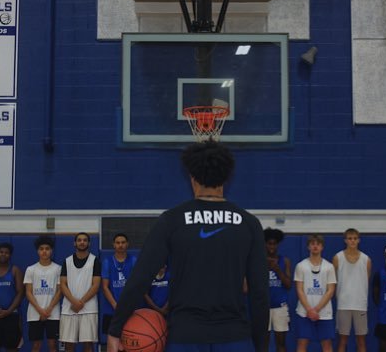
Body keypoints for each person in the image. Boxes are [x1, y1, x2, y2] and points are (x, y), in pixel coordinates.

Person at [107, 140, 269, 352]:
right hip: (234, 337)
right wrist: (261, 345)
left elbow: (140, 278)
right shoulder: (249, 223)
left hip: (185, 337)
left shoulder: (172, 220)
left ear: (192, 177)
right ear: (226, 177)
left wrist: (115, 330)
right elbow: (259, 292)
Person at [59, 232, 101, 352]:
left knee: (88, 345)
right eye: (79, 240)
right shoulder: (67, 261)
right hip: (69, 308)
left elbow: (96, 285)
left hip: (89, 308)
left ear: (89, 243)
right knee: (69, 345)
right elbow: (63, 284)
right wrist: (74, 302)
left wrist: (80, 302)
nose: (82, 242)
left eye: (84, 240)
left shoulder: (95, 261)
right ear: (75, 243)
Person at [294, 234, 336, 352]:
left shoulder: (329, 267)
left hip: (324, 312)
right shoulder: (301, 266)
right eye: (312, 244)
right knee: (302, 343)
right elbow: (299, 290)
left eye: (318, 244)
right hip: (304, 312)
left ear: (322, 247)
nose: (315, 246)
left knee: (327, 344)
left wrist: (316, 309)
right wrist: (309, 310)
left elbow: (330, 291)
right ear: (308, 247)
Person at [332, 228, 371, 352]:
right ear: (345, 240)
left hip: (360, 305)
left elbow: (366, 280)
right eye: (350, 238)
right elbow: (333, 281)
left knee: (361, 341)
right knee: (342, 340)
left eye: (355, 238)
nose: (352, 241)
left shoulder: (366, 259)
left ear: (359, 240)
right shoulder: (337, 258)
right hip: (343, 304)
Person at [24, 236, 62, 352]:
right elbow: (28, 292)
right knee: (36, 346)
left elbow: (60, 291)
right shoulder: (31, 269)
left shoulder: (58, 269)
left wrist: (48, 310)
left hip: (53, 313)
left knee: (52, 345)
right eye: (41, 249)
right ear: (37, 251)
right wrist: (41, 311)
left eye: (47, 248)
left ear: (51, 251)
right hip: (35, 313)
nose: (44, 251)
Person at [101, 233, 137, 335]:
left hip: (129, 308)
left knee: (130, 339)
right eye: (118, 243)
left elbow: (135, 285)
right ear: (113, 244)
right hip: (111, 309)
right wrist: (115, 305)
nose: (120, 245)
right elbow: (104, 287)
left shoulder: (133, 260)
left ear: (127, 244)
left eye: (123, 242)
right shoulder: (107, 261)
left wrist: (127, 304)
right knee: (111, 341)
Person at [263, 228, 291, 352]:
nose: (272, 246)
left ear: (278, 244)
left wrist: (277, 269)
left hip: (280, 307)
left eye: (274, 243)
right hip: (263, 307)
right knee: (263, 344)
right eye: (269, 243)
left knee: (281, 343)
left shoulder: (284, 261)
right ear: (265, 244)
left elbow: (288, 285)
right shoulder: (258, 261)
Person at [0, 242, 24, 352]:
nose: (4, 254)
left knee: (12, 348)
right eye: (1, 252)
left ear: (10, 255)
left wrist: (8, 311)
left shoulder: (15, 270)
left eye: (6, 253)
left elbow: (20, 293)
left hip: (11, 316)